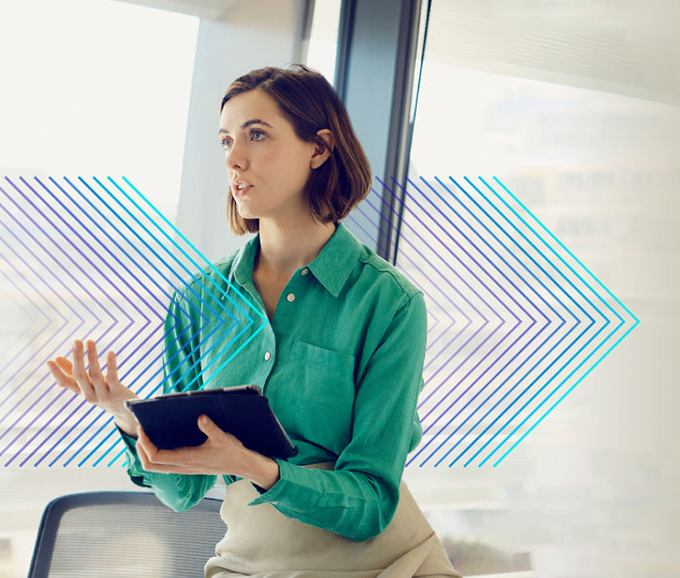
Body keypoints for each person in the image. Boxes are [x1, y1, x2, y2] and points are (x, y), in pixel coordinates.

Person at [46, 64, 462, 577]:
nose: (234, 159)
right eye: (225, 142)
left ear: (319, 148)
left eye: (256, 135)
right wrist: (128, 416)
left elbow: (373, 504)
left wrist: (251, 466)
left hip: (384, 566)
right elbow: (181, 490)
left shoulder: (389, 303)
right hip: (249, 565)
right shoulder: (199, 301)